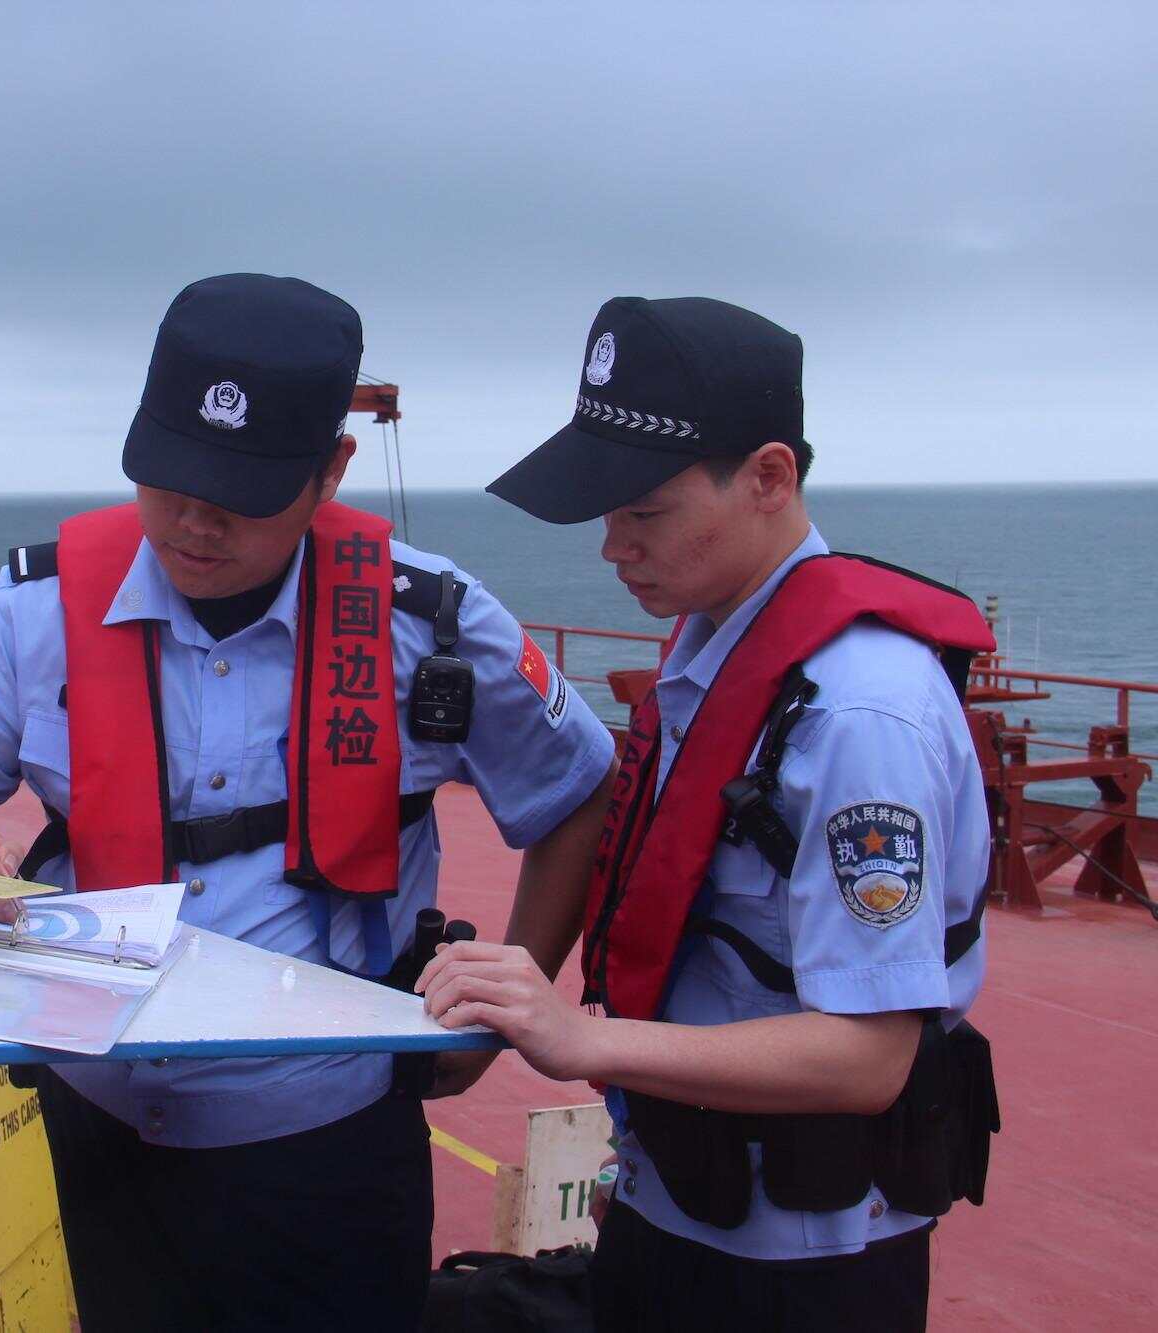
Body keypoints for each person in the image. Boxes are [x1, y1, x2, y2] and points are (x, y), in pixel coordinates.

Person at [0, 273, 618, 1331]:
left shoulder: (425, 621)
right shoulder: (37, 609)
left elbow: (577, 790)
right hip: (96, 1130)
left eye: (241, 491)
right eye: (168, 477)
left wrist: (506, 1011)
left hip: (328, 1149)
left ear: (330, 468)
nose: (194, 521)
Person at [423, 297, 998, 1331]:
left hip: (803, 1268)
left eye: (641, 514)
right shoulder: (712, 646)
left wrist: (575, 1039)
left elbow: (865, 1057)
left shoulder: (858, 712)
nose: (612, 548)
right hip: (676, 1209)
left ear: (768, 477)